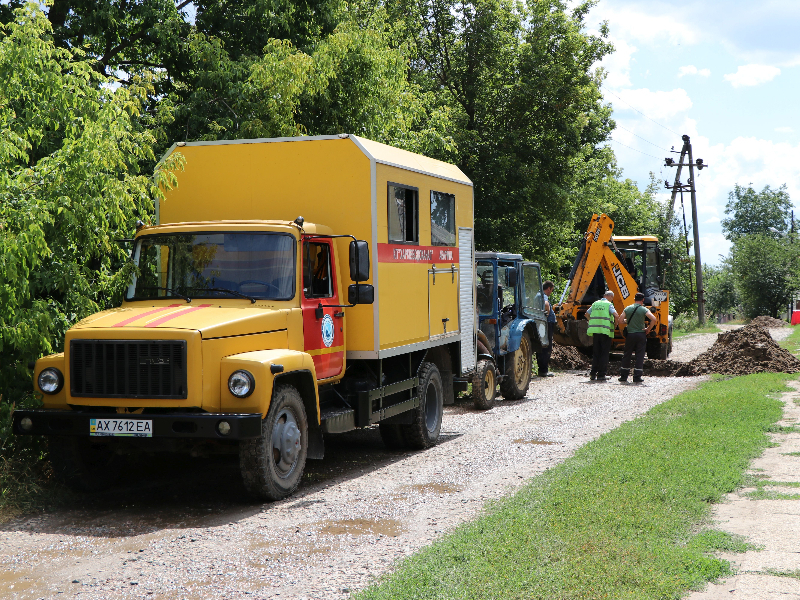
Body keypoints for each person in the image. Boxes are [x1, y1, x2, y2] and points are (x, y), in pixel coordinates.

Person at [618, 292, 657, 383]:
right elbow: (654, 319)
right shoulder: (644, 309)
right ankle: (637, 377)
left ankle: (624, 376)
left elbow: (620, 320)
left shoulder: (628, 308)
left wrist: (628, 321)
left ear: (634, 299)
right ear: (643, 300)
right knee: (640, 355)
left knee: (627, 354)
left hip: (630, 335)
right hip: (641, 335)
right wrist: (648, 329)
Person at [584, 290, 621, 382]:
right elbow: (616, 315)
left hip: (596, 332)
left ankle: (593, 374)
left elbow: (586, 314)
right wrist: (615, 325)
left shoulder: (595, 303)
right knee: (604, 353)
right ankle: (601, 375)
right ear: (611, 297)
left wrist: (592, 322)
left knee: (596, 353)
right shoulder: (609, 304)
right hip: (605, 332)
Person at [536, 280, 556, 377]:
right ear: (548, 288)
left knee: (541, 346)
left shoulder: (537, 294)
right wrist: (547, 315)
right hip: (547, 324)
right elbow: (546, 304)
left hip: (542, 323)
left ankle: (542, 369)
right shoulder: (543, 296)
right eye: (551, 290)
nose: (550, 292)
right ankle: (544, 370)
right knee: (546, 346)